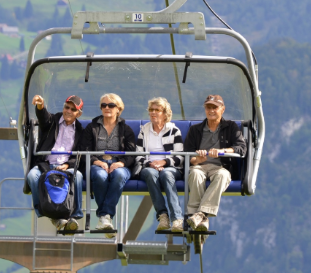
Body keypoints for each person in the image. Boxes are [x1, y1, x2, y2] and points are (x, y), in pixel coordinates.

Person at [184, 94, 246, 231]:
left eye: (215, 107)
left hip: (220, 167)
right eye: (208, 107)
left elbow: (241, 148)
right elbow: (187, 155)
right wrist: (197, 160)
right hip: (200, 166)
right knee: (194, 173)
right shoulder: (195, 130)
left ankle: (197, 214)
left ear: (222, 109)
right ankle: (201, 218)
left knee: (222, 176)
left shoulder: (231, 127)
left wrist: (222, 151)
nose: (211, 111)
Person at [26, 94, 85, 231]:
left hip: (65, 167)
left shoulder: (80, 131)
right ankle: (43, 209)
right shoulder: (53, 121)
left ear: (78, 114)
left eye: (73, 109)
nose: (68, 111)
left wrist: (68, 165)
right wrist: (40, 105)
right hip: (45, 165)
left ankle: (74, 215)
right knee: (32, 176)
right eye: (67, 107)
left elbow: (80, 153)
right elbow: (43, 117)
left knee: (78, 177)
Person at [81, 93, 136, 235]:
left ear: (119, 109)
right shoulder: (92, 127)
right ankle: (106, 217)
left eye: (111, 105)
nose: (107, 108)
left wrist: (121, 163)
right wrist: (97, 161)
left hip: (119, 163)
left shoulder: (126, 129)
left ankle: (104, 216)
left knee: (118, 176)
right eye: (103, 105)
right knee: (100, 176)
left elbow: (132, 153)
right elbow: (84, 150)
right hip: (97, 162)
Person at [133, 97, 185, 233]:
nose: (153, 113)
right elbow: (138, 155)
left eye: (157, 110)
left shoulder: (174, 131)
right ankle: (162, 216)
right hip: (149, 167)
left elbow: (180, 157)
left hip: (170, 168)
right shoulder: (144, 130)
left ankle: (177, 219)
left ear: (165, 113)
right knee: (151, 174)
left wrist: (164, 162)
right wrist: (151, 164)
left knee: (167, 174)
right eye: (151, 110)